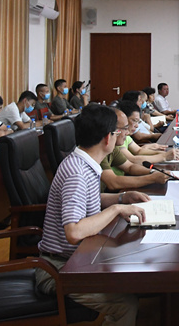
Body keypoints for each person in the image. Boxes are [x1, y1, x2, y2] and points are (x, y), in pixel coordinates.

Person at [35, 104, 145, 325]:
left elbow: (89, 200)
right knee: (125, 305)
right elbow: (74, 232)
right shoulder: (77, 173)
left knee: (128, 281)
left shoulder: (83, 163)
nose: (121, 135)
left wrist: (122, 198)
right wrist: (116, 209)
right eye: (118, 131)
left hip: (77, 260)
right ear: (107, 138)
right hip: (58, 269)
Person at [99, 109, 174, 193]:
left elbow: (130, 167)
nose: (127, 132)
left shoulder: (113, 148)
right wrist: (152, 178)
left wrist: (153, 172)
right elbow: (113, 182)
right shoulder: (100, 151)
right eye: (125, 128)